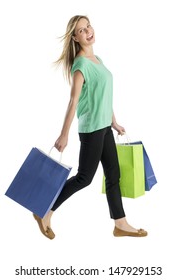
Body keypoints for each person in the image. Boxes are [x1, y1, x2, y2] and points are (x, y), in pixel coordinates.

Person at [33, 15, 147, 239]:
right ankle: (45, 210)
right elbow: (73, 100)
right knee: (85, 177)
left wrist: (114, 121)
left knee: (113, 175)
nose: (88, 31)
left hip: (104, 126)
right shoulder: (82, 64)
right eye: (81, 31)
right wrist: (64, 134)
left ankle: (120, 224)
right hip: (92, 129)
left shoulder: (98, 59)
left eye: (88, 26)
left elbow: (103, 95)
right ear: (75, 38)